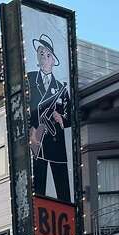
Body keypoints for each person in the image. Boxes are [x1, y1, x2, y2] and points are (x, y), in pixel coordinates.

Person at [27, 32, 73, 203]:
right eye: (41, 54)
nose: (45, 58)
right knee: (37, 192)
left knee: (63, 193)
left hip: (56, 146)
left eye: (48, 55)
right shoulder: (29, 80)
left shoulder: (61, 87)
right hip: (36, 143)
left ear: (53, 60)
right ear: (37, 58)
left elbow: (70, 118)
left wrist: (60, 117)